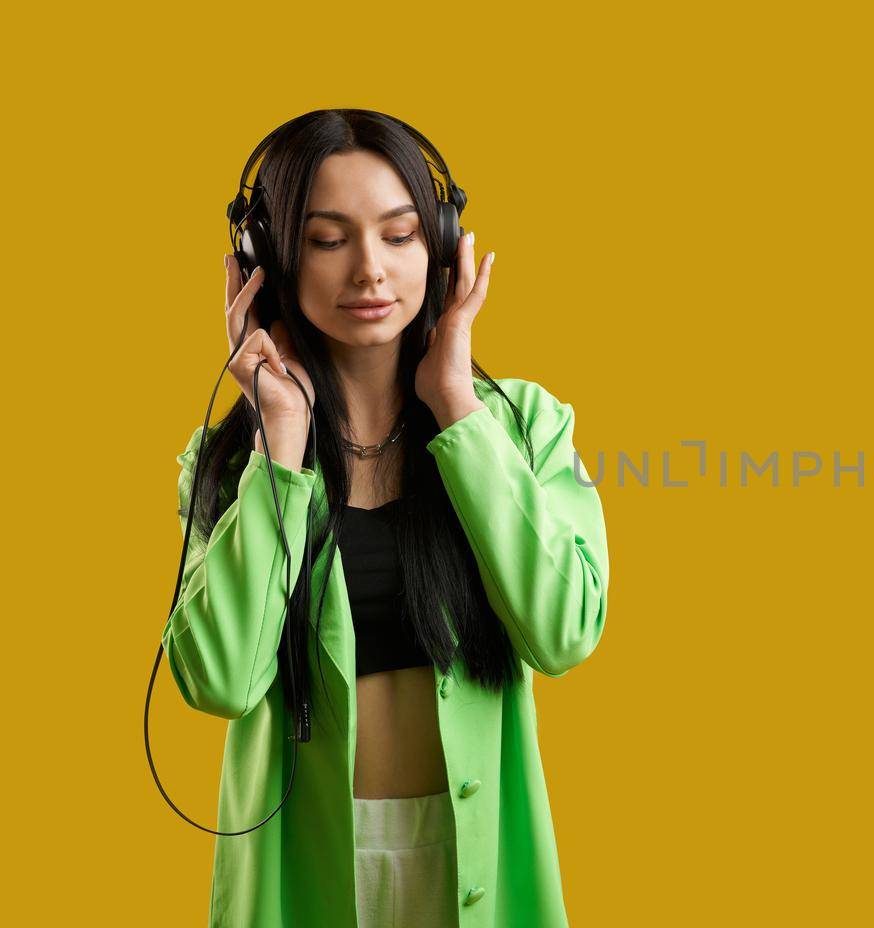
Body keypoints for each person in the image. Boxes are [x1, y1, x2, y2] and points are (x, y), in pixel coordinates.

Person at [164, 109, 610, 927]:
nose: (370, 269)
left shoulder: (524, 428)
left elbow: (565, 632)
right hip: (303, 875)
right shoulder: (229, 462)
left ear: (439, 246)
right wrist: (283, 442)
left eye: (399, 235)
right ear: (268, 259)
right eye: (329, 240)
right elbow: (220, 683)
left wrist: (458, 410)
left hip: (479, 866)